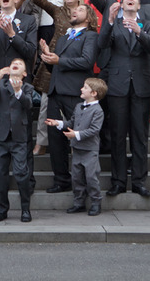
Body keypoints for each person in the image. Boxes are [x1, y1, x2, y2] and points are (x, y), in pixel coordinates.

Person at [97, 0, 150, 198]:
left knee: (140, 136)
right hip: (117, 86)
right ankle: (118, 181)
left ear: (139, 5)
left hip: (140, 86)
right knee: (117, 136)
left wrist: (139, 31)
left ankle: (140, 181)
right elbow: (102, 43)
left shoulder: (147, 24)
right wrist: (110, 21)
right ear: (122, 4)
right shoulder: (115, 24)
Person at [39, 3, 99, 194]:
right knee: (55, 138)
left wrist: (59, 60)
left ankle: (84, 183)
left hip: (76, 93)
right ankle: (61, 179)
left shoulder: (90, 36)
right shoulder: (64, 38)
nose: (75, 11)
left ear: (88, 18)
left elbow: (87, 61)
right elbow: (57, 66)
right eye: (75, 10)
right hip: (56, 92)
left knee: (80, 139)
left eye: (80, 10)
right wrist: (48, 58)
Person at [46, 77, 106, 216]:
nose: (81, 89)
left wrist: (76, 134)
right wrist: (58, 123)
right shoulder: (79, 106)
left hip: (90, 150)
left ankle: (96, 202)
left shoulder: (98, 111)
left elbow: (94, 130)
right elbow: (72, 122)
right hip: (77, 149)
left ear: (94, 93)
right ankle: (79, 203)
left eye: (85, 87)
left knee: (91, 177)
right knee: (77, 177)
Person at [0, 58, 35, 223]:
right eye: (14, 62)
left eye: (20, 64)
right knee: (0, 174)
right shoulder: (1, 84)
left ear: (24, 73)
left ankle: (25, 209)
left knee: (22, 174)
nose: (16, 64)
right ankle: (2, 209)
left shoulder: (27, 87)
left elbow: (28, 104)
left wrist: (18, 91)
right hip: (1, 136)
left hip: (19, 137)